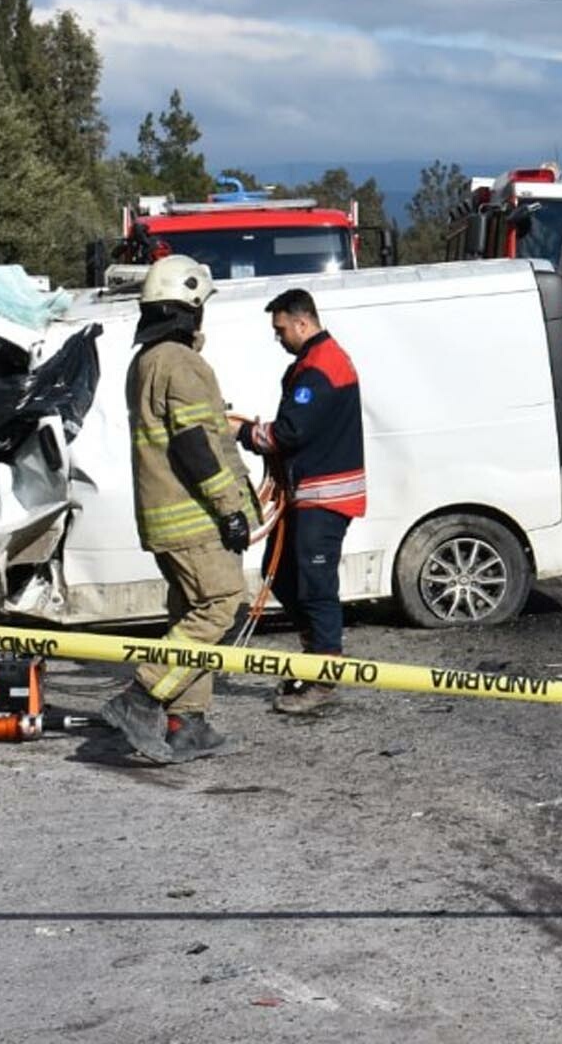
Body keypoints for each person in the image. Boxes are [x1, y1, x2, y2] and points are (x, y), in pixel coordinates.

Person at [100, 255, 259, 765]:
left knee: (189, 611)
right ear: (188, 307)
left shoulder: (145, 362)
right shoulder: (180, 363)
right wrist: (230, 508)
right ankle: (142, 697)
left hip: (165, 517)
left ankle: (187, 723)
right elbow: (195, 444)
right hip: (194, 517)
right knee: (220, 604)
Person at [234, 286, 366, 716]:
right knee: (285, 576)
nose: (278, 338)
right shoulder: (311, 365)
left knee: (314, 585)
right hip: (306, 494)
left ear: (302, 322)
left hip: (323, 496)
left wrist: (242, 433)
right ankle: (315, 658)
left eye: (281, 329)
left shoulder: (320, 368)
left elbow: (291, 431)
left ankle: (323, 675)